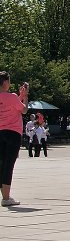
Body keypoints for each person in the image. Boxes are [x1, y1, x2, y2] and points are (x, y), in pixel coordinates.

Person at [0, 75, 29, 206]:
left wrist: (20, 96)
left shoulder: (11, 97)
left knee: (1, 163)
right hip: (13, 133)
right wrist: (25, 96)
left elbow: (12, 105)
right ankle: (6, 198)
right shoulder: (11, 97)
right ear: (5, 82)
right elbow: (23, 109)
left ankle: (5, 196)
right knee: (8, 165)